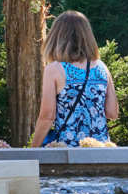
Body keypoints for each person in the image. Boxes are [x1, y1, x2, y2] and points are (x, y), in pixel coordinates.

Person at [31, 11, 118, 147]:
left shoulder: (55, 69)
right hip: (101, 150)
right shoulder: (102, 68)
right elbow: (112, 113)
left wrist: (32, 151)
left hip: (68, 151)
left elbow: (47, 117)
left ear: (56, 37)